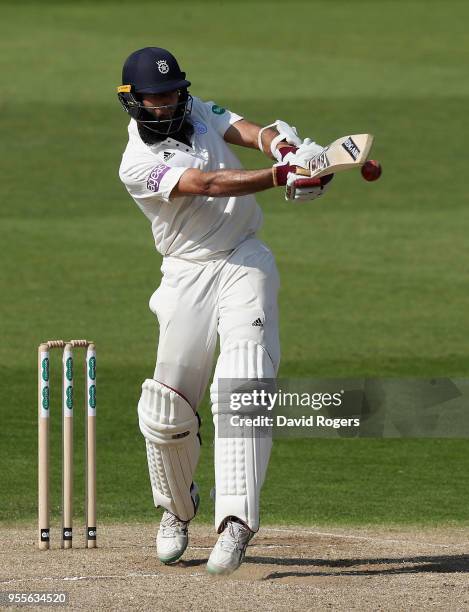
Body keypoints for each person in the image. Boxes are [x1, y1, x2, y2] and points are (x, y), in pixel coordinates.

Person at [117, 47, 332, 575]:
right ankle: (175, 510)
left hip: (243, 258)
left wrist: (287, 147)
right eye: (155, 97)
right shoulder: (138, 164)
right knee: (167, 409)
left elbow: (247, 131)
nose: (167, 104)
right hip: (186, 271)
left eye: (172, 93)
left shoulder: (196, 111)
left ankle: (236, 524)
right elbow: (208, 186)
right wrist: (283, 176)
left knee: (245, 377)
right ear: (132, 101)